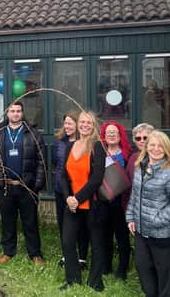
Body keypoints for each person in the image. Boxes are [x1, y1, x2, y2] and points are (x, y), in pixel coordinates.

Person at [126, 130, 170, 297]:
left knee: (165, 273)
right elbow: (135, 194)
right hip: (141, 230)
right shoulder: (140, 166)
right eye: (152, 145)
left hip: (162, 233)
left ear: (166, 148)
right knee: (143, 266)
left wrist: (155, 220)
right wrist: (131, 217)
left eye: (161, 146)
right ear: (146, 147)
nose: (156, 149)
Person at [0, 101, 46, 267]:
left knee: (30, 221)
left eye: (18, 111)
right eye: (12, 111)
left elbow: (41, 161)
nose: (15, 114)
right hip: (6, 186)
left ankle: (35, 254)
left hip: (26, 187)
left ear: (22, 113)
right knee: (7, 221)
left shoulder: (33, 133)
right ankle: (8, 251)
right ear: (7, 113)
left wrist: (36, 185)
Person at [59, 110, 107, 292]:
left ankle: (95, 281)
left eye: (89, 122)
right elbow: (63, 175)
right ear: (78, 124)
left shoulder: (98, 147)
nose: (85, 125)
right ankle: (73, 280)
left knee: (96, 245)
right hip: (72, 205)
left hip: (92, 204)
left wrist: (77, 198)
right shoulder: (71, 146)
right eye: (82, 122)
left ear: (94, 125)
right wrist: (68, 198)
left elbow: (96, 179)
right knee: (67, 242)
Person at [51, 112, 89, 269]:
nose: (67, 127)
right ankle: (67, 255)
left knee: (81, 225)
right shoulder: (59, 142)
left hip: (80, 191)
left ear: (78, 125)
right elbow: (55, 163)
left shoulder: (85, 143)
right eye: (65, 123)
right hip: (62, 190)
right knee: (63, 224)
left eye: (70, 124)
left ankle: (82, 257)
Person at [99, 120, 133, 280]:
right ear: (104, 136)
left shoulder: (128, 154)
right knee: (105, 236)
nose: (111, 135)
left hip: (121, 204)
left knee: (122, 237)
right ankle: (106, 266)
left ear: (120, 136)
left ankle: (122, 268)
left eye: (115, 132)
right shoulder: (100, 152)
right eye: (108, 132)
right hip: (104, 203)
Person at [123, 123, 156, 211]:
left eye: (145, 138)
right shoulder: (133, 158)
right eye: (138, 138)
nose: (141, 141)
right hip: (135, 210)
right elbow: (127, 186)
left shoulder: (159, 157)